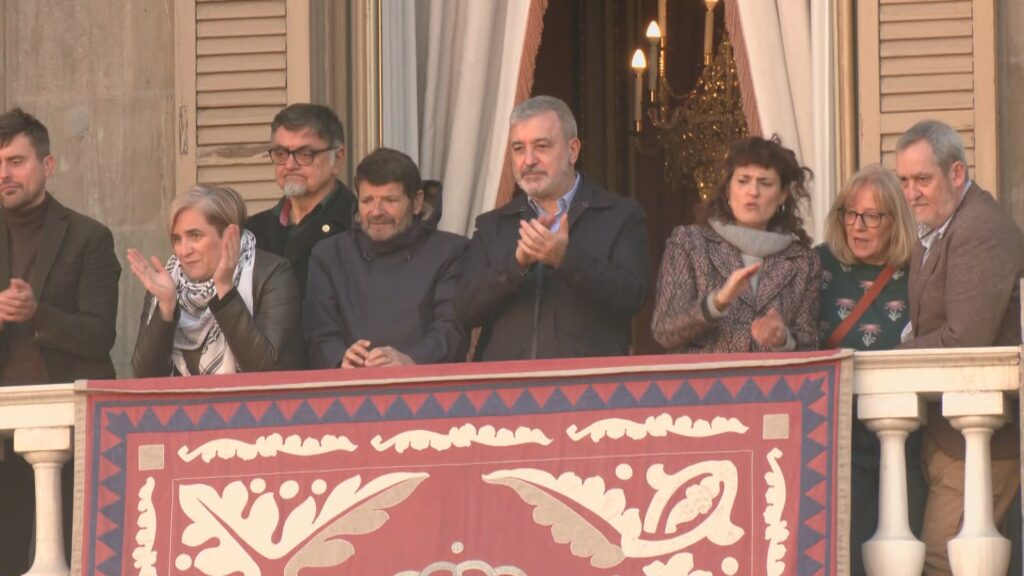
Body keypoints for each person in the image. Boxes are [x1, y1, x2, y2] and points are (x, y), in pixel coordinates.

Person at [894, 119, 1023, 576]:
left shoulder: (978, 229)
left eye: (922, 179)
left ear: (956, 173)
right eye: (904, 181)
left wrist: (891, 359)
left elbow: (965, 339)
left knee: (942, 561)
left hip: (980, 442)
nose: (911, 193)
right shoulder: (940, 227)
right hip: (949, 436)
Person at [0, 106, 121, 575]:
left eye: (16, 161)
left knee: (78, 553)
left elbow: (100, 335)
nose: (4, 173)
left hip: (71, 421)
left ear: (47, 165)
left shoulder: (90, 237)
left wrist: (37, 314)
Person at [456, 95, 649, 360]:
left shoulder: (620, 215)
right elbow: (464, 310)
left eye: (542, 146)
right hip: (506, 383)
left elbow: (632, 298)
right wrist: (516, 265)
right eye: (518, 149)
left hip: (588, 381)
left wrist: (565, 258)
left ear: (572, 151)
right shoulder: (492, 225)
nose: (528, 160)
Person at [817, 164, 925, 575]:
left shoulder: (920, 271)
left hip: (908, 437)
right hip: (837, 434)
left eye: (872, 216)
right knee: (847, 551)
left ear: (896, 220)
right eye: (850, 213)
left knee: (904, 549)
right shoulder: (819, 265)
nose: (857, 227)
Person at [651, 136, 820, 353]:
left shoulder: (804, 261)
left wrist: (783, 339)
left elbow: (811, 345)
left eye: (765, 183)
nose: (753, 192)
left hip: (772, 376)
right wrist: (717, 303)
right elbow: (664, 330)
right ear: (728, 190)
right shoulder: (689, 243)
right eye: (743, 181)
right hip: (705, 376)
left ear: (782, 196)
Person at [304, 148, 468, 368]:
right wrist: (341, 358)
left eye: (390, 200)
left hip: (426, 386)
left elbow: (452, 329)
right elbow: (318, 332)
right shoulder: (329, 255)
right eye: (367, 200)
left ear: (417, 202)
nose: (376, 211)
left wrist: (411, 360)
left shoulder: (450, 251)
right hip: (350, 387)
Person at [129, 184, 303, 376]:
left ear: (229, 235)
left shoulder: (272, 274)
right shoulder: (167, 280)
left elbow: (263, 370)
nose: (183, 251)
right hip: (183, 397)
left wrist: (226, 290)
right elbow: (145, 376)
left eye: (195, 236)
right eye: (177, 239)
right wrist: (166, 306)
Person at [246, 103, 356, 297]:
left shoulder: (359, 226)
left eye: (305, 155)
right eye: (281, 154)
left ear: (338, 158)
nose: (290, 165)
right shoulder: (251, 233)